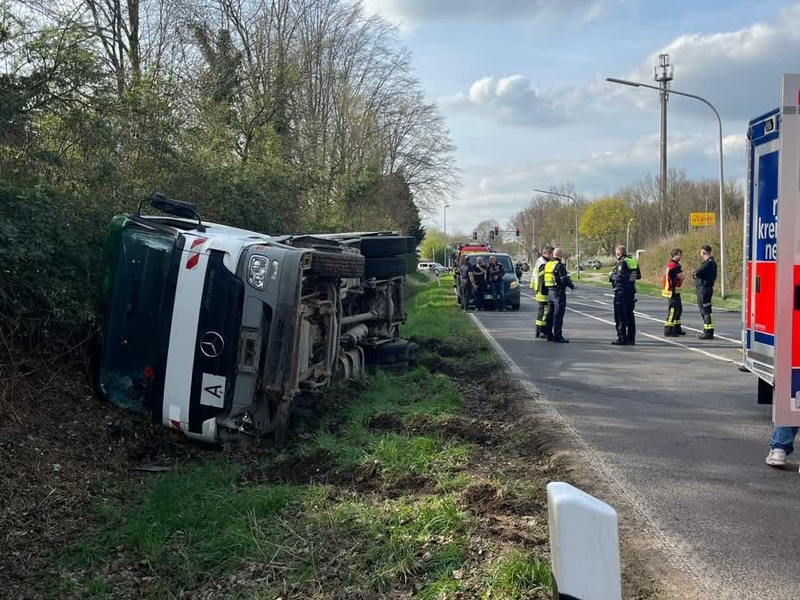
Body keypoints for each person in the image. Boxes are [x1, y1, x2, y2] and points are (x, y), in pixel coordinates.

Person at [609, 245, 641, 345]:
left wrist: (611, 275)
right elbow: (638, 275)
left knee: (620, 316)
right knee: (630, 316)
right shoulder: (632, 261)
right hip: (631, 291)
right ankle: (631, 339)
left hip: (621, 292)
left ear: (618, 253)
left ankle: (622, 338)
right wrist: (630, 280)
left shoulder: (622, 262)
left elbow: (621, 277)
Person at [544, 247, 575, 343]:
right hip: (558, 292)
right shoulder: (559, 266)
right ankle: (558, 336)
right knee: (558, 315)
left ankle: (549, 335)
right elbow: (564, 279)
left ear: (553, 255)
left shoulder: (548, 264)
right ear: (561, 255)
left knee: (550, 314)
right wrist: (572, 286)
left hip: (550, 292)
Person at [694, 244, 717, 340]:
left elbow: (697, 273)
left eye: (701, 253)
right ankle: (707, 330)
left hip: (704, 289)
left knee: (705, 310)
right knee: (706, 310)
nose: (700, 255)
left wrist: (694, 274)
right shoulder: (712, 263)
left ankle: (708, 332)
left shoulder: (707, 264)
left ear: (704, 252)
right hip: (706, 288)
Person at [662, 248, 686, 337]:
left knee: (678, 309)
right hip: (671, 291)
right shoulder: (674, 266)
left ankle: (677, 328)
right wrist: (683, 275)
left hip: (675, 291)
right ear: (674, 255)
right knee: (673, 311)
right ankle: (668, 330)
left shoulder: (673, 265)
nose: (681, 256)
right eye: (679, 254)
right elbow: (682, 277)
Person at [530, 246, 553, 338]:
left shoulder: (540, 261)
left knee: (542, 310)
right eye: (552, 254)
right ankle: (542, 330)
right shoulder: (543, 264)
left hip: (539, 289)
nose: (552, 256)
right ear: (546, 253)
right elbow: (543, 279)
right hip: (542, 290)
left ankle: (539, 330)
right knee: (544, 311)